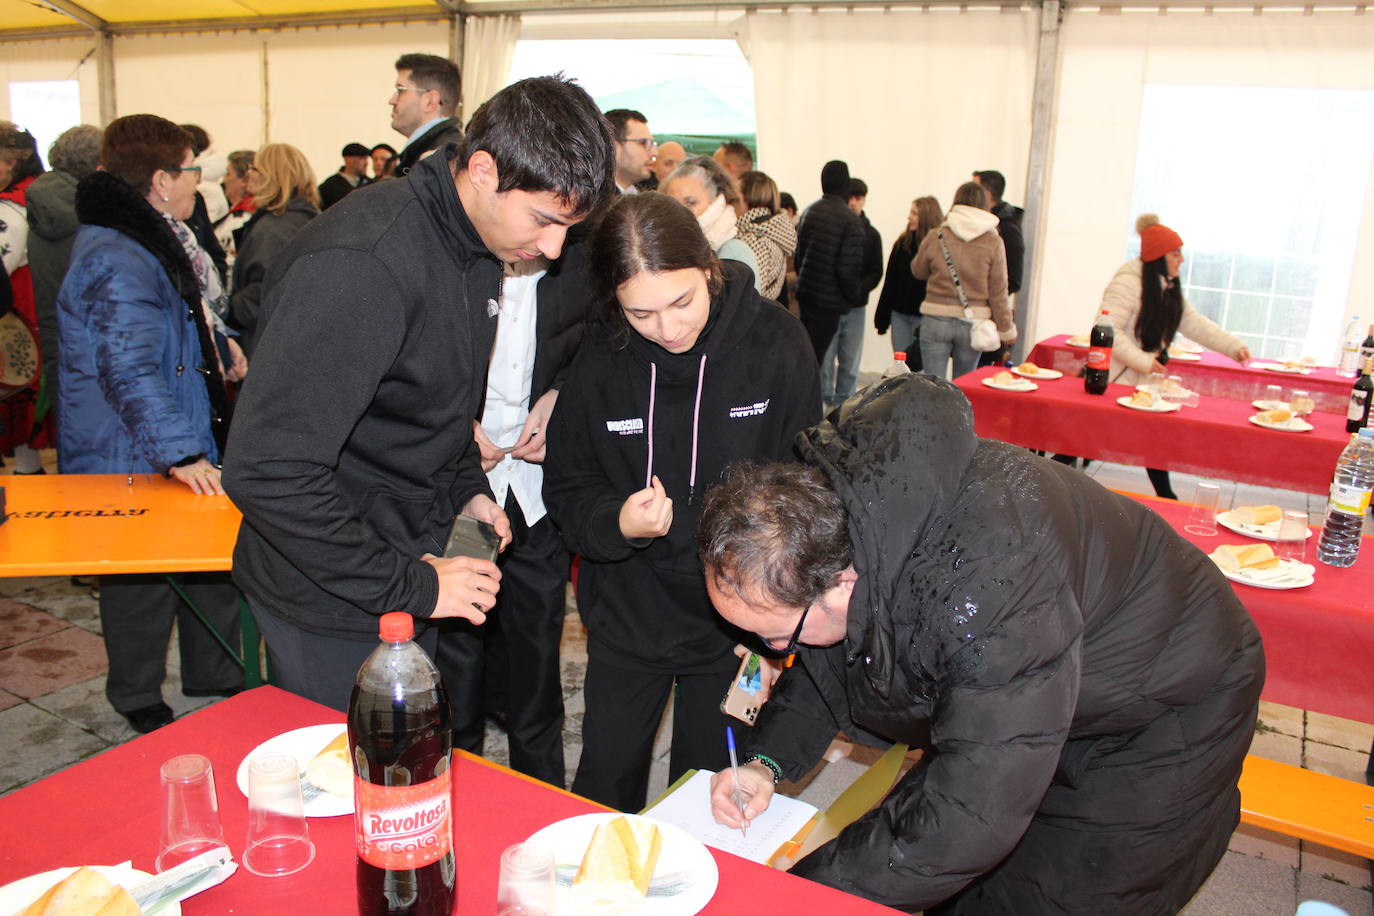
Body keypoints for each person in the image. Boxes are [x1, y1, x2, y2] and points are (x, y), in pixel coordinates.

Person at [697, 372, 1265, 914]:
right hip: (1043, 668)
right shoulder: (845, 521)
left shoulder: (988, 586)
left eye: (774, 635)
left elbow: (965, 814)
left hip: (1167, 696)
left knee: (1066, 893)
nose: (769, 650)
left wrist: (796, 899)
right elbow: (830, 657)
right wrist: (762, 764)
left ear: (843, 583)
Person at [222, 75, 617, 713]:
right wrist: (415, 585)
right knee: (356, 784)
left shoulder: (479, 244)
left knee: (407, 777)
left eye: (567, 228)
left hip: (410, 563)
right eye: (545, 220)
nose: (552, 249)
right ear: (484, 170)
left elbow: (439, 404)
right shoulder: (364, 267)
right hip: (330, 594)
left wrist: (467, 491)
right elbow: (268, 471)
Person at [543, 191, 821, 813]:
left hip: (739, 625)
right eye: (640, 313)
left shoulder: (778, 346)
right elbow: (567, 487)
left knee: (714, 792)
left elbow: (807, 495)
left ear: (710, 269)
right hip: (626, 615)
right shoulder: (600, 356)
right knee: (603, 785)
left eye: (681, 302)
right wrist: (618, 521)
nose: (668, 329)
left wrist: (777, 631)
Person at [56, 114, 244, 733]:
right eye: (192, 169)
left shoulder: (152, 237)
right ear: (162, 180)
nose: (199, 181)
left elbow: (173, 320)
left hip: (174, 425)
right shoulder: (118, 252)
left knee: (203, 555)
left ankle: (214, 671)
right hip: (131, 445)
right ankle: (135, 693)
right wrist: (181, 453)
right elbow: (128, 368)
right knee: (137, 575)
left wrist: (219, 341)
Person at [435, 229, 596, 787]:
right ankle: (454, 795)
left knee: (536, 658)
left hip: (534, 492)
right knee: (455, 657)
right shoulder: (445, 257)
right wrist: (454, 426)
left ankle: (541, 799)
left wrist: (561, 397)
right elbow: (405, 370)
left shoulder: (576, 258)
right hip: (462, 496)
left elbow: (603, 346)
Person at [1095, 214, 1251, 500]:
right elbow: (1108, 329)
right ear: (1158, 256)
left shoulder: (1165, 284)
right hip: (1115, 376)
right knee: (1091, 438)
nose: (1181, 260)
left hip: (1143, 379)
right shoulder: (1129, 282)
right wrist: (1143, 360)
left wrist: (1233, 346)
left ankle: (1167, 497)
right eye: (1175, 254)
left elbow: (1193, 323)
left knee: (1152, 440)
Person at [26, 124, 102, 440]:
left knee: (73, 434)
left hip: (56, 334)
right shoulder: (91, 212)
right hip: (91, 338)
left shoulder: (41, 201)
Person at [911, 181, 1013, 379]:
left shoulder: (937, 235)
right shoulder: (993, 241)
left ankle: (934, 411)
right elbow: (998, 290)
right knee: (964, 384)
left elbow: (918, 270)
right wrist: (1006, 328)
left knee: (932, 384)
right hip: (973, 322)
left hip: (936, 317)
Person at [228, 143, 319, 358]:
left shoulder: (273, 228)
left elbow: (264, 292)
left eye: (256, 168)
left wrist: (228, 310)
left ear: (272, 176)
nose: (250, 173)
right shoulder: (304, 219)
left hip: (265, 345)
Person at [0, 121, 47, 469]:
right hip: (30, 311)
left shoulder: (9, 208)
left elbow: (5, 260)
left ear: (10, 161)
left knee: (17, 402)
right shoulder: (38, 194)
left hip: (15, 316)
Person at [819, 177, 883, 411]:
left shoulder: (872, 234)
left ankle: (846, 406)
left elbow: (876, 270)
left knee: (850, 361)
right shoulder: (833, 228)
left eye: (859, 198)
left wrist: (856, 291)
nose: (854, 202)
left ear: (864, 200)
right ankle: (824, 403)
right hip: (831, 305)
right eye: (851, 197)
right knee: (826, 360)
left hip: (855, 307)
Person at [795, 160, 865, 363]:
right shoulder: (851, 220)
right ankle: (810, 396)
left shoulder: (810, 211)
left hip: (806, 295)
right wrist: (853, 297)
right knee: (815, 360)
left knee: (805, 356)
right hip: (829, 302)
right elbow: (847, 270)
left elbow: (799, 257)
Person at [661, 156, 760, 291]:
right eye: (673, 203)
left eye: (691, 202)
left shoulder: (735, 252)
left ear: (716, 203)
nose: (680, 211)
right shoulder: (661, 250)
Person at [874, 195, 941, 372]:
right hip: (900, 315)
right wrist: (882, 318)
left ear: (926, 216)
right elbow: (890, 282)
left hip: (926, 317)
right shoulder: (902, 243)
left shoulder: (938, 246)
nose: (909, 217)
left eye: (914, 213)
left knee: (922, 368)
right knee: (901, 367)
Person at [390, 53, 463, 177]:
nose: (391, 100)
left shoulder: (441, 159)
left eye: (400, 91)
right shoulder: (444, 152)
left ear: (430, 100)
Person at [735, 170, 796, 301]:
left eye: (736, 196)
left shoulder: (755, 240)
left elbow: (748, 297)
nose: (730, 201)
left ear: (748, 199)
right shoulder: (770, 230)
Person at [212, 149, 255, 266]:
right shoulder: (235, 215)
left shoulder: (243, 220)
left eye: (228, 173)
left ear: (244, 181)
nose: (224, 180)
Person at [604, 108, 656, 194]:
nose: (654, 153)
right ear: (613, 147)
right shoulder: (593, 202)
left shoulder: (642, 196)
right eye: (643, 143)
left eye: (652, 144)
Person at [317, 142, 373, 210]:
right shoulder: (329, 186)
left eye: (367, 159)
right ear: (349, 160)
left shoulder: (371, 184)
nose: (366, 163)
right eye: (362, 158)